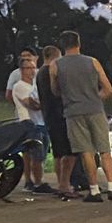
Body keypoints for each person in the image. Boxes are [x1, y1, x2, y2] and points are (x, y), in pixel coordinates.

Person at [49, 30, 112, 203]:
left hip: (73, 112)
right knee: (104, 150)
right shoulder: (93, 62)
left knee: (86, 152)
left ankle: (94, 190)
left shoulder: (56, 65)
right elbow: (107, 88)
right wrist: (94, 98)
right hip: (95, 109)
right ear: (79, 43)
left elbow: (55, 90)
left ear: (63, 45)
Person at [37, 45, 81, 198]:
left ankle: (62, 183)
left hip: (48, 116)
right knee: (70, 152)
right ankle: (65, 184)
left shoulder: (39, 73)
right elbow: (58, 92)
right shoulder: (50, 71)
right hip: (59, 115)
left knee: (58, 153)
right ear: (56, 56)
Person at [9, 50, 50, 193]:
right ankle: (36, 182)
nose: (32, 71)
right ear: (21, 70)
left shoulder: (34, 86)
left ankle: (33, 181)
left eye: (33, 68)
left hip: (40, 122)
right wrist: (43, 104)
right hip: (29, 122)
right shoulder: (20, 86)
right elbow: (32, 104)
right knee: (35, 155)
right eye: (28, 68)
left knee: (39, 154)